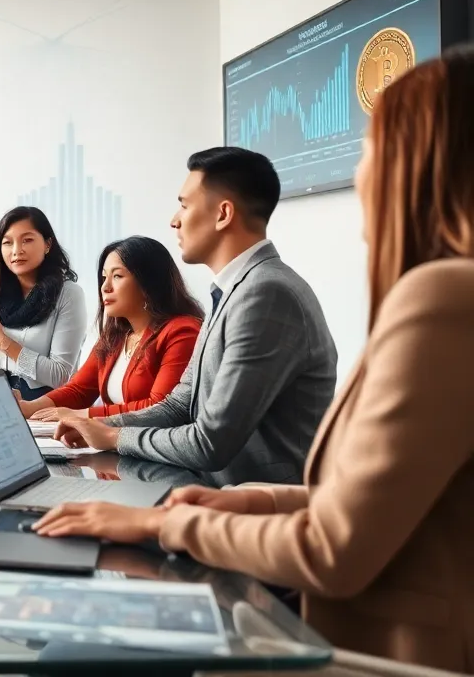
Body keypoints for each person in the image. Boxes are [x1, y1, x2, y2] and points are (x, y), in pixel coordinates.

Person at [31, 47, 474, 673]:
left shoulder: (434, 300)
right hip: (308, 572)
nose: (362, 169)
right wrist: (249, 502)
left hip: (372, 645)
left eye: (372, 147)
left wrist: (163, 526)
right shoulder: (238, 292)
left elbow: (331, 547)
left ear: (418, 165)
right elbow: (358, 503)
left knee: (70, 647)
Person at [50, 147, 336, 485]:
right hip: (212, 491)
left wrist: (113, 438)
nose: (174, 219)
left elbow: (209, 442)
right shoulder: (233, 292)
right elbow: (178, 407)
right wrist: (98, 426)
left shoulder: (266, 294)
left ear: (223, 214)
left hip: (256, 509)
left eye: (184, 205)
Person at [20, 236, 202, 421]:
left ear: (148, 283)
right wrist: (29, 408)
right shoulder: (116, 335)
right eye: (104, 277)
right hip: (117, 444)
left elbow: (159, 408)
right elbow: (79, 390)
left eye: (117, 276)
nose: (105, 287)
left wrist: (83, 416)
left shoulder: (182, 332)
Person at [0, 206, 88, 401]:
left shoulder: (68, 294)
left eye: (27, 240)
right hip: (2, 401)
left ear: (47, 244)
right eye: (7, 243)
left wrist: (2, 342)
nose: (17, 251)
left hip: (49, 406)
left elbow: (59, 375)